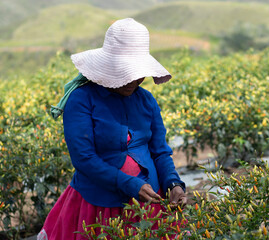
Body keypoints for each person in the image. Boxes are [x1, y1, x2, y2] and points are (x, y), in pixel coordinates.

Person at [38, 18, 187, 240]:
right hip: (99, 204)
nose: (133, 80)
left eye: (138, 73)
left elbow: (160, 151)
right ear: (107, 66)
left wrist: (172, 183)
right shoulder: (82, 99)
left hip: (149, 201)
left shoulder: (146, 100)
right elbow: (83, 158)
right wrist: (129, 183)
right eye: (125, 72)